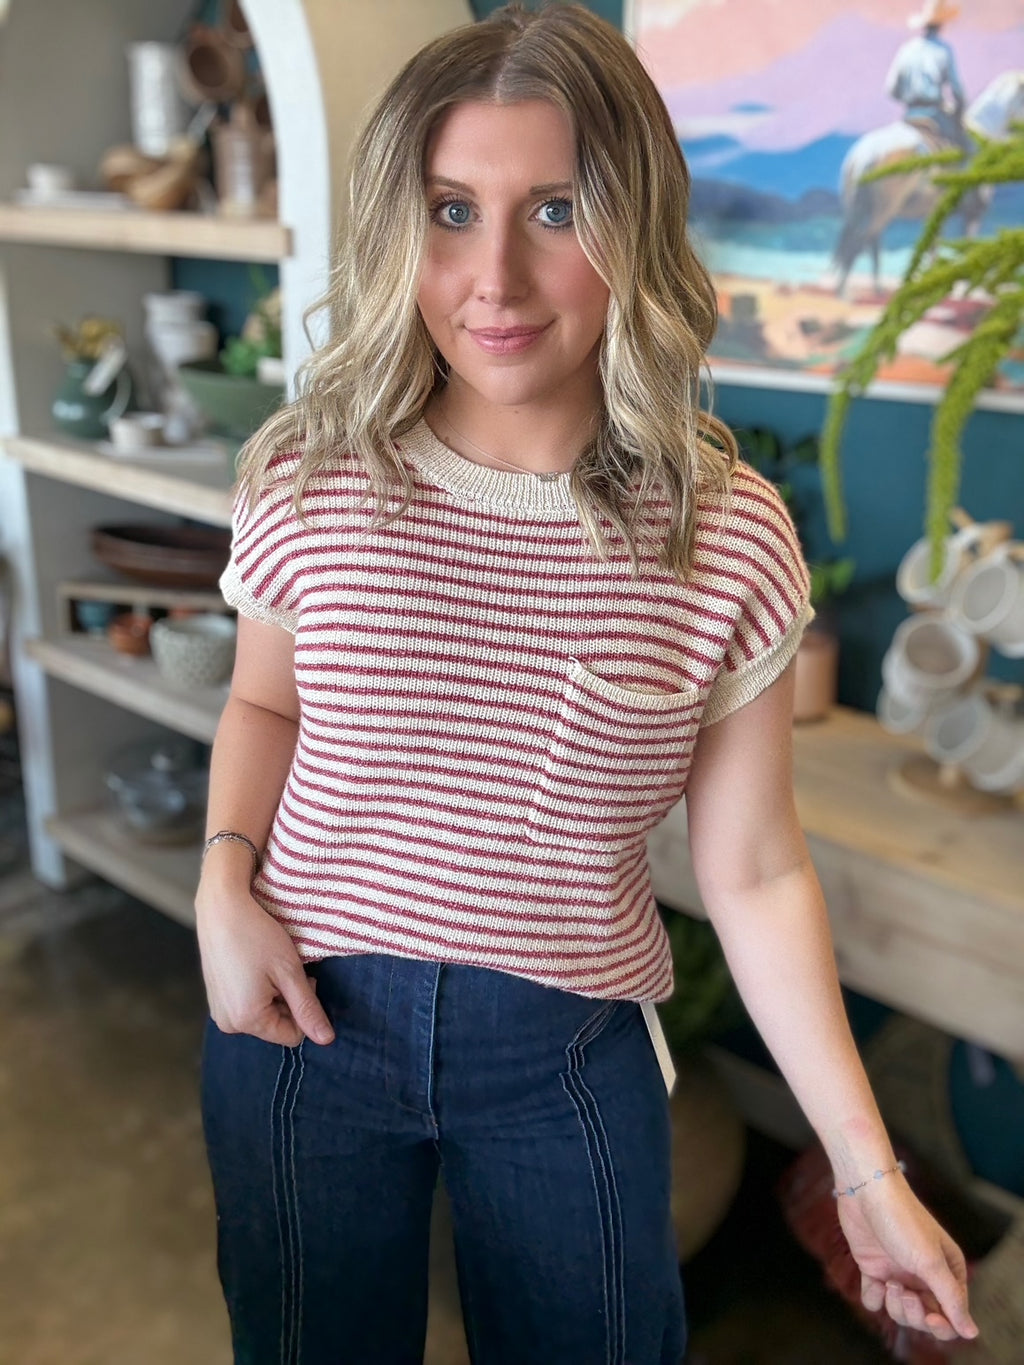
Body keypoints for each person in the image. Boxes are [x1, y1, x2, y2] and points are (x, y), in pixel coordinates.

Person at [196, 5, 980, 1362]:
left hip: (563, 1057)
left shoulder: (723, 533)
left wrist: (867, 1170)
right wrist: (220, 881)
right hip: (301, 1019)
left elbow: (755, 873)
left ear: (637, 228)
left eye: (555, 210)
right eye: (450, 209)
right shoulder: (308, 475)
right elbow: (267, 704)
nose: (492, 275)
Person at [886, 0, 972, 153]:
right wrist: (959, 109)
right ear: (941, 25)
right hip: (934, 115)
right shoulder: (943, 50)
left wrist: (910, 96)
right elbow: (957, 90)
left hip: (910, 114)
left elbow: (891, 89)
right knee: (963, 149)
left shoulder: (906, 49)